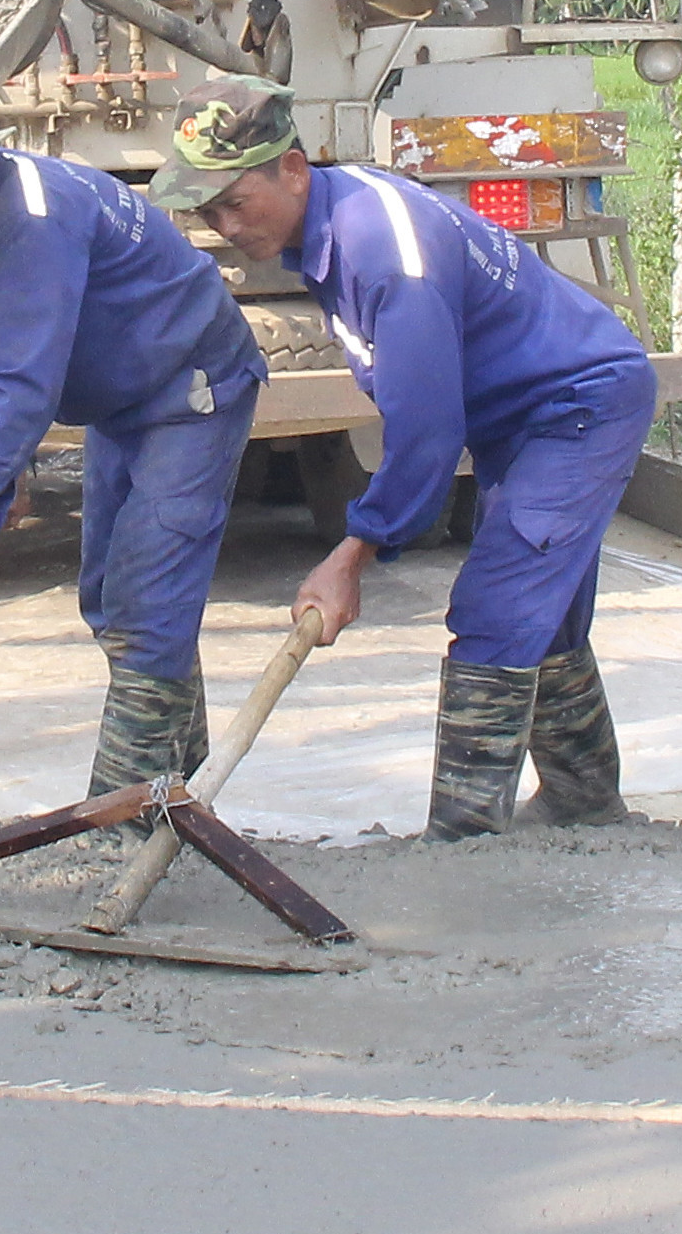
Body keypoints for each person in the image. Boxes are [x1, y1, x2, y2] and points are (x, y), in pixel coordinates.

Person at [150, 76, 653, 839]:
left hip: (576, 405)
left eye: (233, 202)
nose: (222, 226)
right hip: (518, 417)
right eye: (205, 211)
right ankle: (584, 802)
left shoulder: (383, 251)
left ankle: (461, 844)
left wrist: (352, 551)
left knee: (495, 608)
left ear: (291, 169)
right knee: (537, 610)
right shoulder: (325, 232)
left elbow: (425, 431)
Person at [0, 84, 265, 797]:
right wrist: (5, 472)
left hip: (191, 387)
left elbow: (28, 389)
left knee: (145, 603)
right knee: (107, 596)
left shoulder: (32, 216)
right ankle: (175, 801)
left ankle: (117, 827)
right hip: (120, 406)